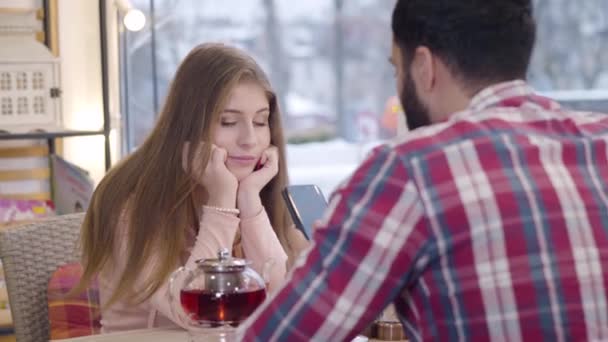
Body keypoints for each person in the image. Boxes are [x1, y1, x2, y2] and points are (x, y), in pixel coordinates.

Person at [238, 0, 608, 341]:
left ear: (424, 67)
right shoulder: (599, 140)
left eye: (397, 69)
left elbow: (280, 336)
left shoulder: (408, 171)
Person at [75, 43, 307, 332]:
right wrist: (222, 201)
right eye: (229, 121)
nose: (250, 139)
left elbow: (283, 305)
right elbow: (195, 315)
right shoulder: (130, 200)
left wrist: (249, 201)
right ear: (188, 125)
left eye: (260, 121)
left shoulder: (248, 189)